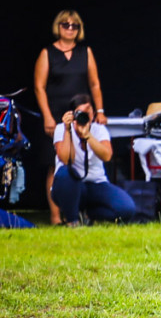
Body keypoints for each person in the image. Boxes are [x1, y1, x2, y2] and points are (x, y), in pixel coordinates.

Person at [34, 10, 107, 225]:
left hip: (80, 113)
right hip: (56, 113)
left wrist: (100, 111)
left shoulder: (86, 52)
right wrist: (47, 116)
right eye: (65, 24)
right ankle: (56, 217)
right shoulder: (47, 53)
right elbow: (39, 87)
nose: (70, 29)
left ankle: (73, 214)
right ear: (58, 26)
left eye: (74, 25)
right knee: (54, 164)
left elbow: (95, 84)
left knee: (79, 161)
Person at [51, 93, 135, 226]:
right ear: (72, 115)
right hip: (69, 185)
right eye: (80, 113)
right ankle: (72, 221)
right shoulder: (61, 128)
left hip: (95, 184)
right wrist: (68, 131)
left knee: (127, 209)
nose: (84, 117)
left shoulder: (99, 129)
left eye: (87, 113)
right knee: (65, 174)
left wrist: (88, 135)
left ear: (94, 114)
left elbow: (107, 156)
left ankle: (89, 215)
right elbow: (66, 159)